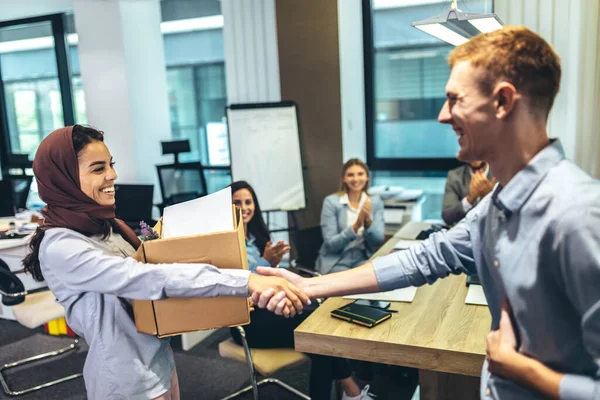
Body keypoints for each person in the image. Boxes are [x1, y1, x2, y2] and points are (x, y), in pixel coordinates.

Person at [257, 27, 600, 400]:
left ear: (502, 102)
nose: (441, 115)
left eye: (454, 100)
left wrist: (524, 371)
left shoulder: (578, 215)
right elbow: (427, 256)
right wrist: (308, 286)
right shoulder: (496, 203)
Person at [22, 125, 308, 400]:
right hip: (125, 380)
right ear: (64, 179)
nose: (113, 175)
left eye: (111, 164)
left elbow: (151, 300)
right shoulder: (61, 246)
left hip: (159, 361)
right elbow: (146, 278)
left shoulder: (105, 226)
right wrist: (244, 281)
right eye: (99, 168)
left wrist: (224, 301)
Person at [230, 180, 374, 400]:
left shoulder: (255, 237)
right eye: (236, 202)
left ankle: (351, 393)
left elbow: (265, 277)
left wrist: (273, 263)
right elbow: (239, 283)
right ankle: (352, 392)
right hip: (247, 320)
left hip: (271, 307)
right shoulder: (228, 242)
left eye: (248, 201)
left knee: (321, 333)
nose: (244, 207)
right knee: (318, 335)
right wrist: (265, 261)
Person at [316, 159, 384, 275]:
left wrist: (367, 222)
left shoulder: (375, 201)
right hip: (337, 260)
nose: (356, 179)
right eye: (350, 175)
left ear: (367, 177)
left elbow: (378, 240)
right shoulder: (331, 202)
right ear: (344, 178)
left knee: (372, 284)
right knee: (348, 288)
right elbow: (331, 245)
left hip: (363, 257)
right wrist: (355, 227)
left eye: (360, 174)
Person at [442, 160, 495, 225]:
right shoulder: (455, 176)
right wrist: (469, 199)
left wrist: (489, 197)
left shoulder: (500, 174)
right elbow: (447, 216)